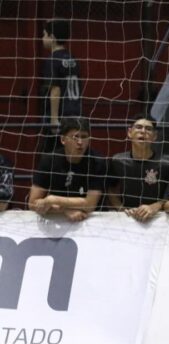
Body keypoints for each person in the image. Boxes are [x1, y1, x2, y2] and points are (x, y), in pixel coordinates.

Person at [29, 117, 104, 222]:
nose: (80, 142)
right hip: (58, 219)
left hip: (91, 220)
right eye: (75, 137)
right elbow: (33, 202)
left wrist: (53, 199)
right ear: (63, 140)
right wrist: (64, 210)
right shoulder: (49, 160)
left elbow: (90, 205)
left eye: (84, 137)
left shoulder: (97, 161)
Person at [106, 114, 169, 222]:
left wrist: (154, 207)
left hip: (157, 220)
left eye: (148, 129)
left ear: (155, 136)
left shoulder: (166, 165)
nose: (143, 131)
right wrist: (122, 210)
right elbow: (111, 191)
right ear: (129, 132)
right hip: (126, 220)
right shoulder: (117, 161)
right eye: (138, 127)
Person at [39, 19, 82, 153]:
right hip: (75, 113)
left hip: (60, 116)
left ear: (52, 37)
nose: (42, 38)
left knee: (49, 156)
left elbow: (55, 90)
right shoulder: (72, 58)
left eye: (44, 34)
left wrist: (54, 119)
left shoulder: (52, 60)